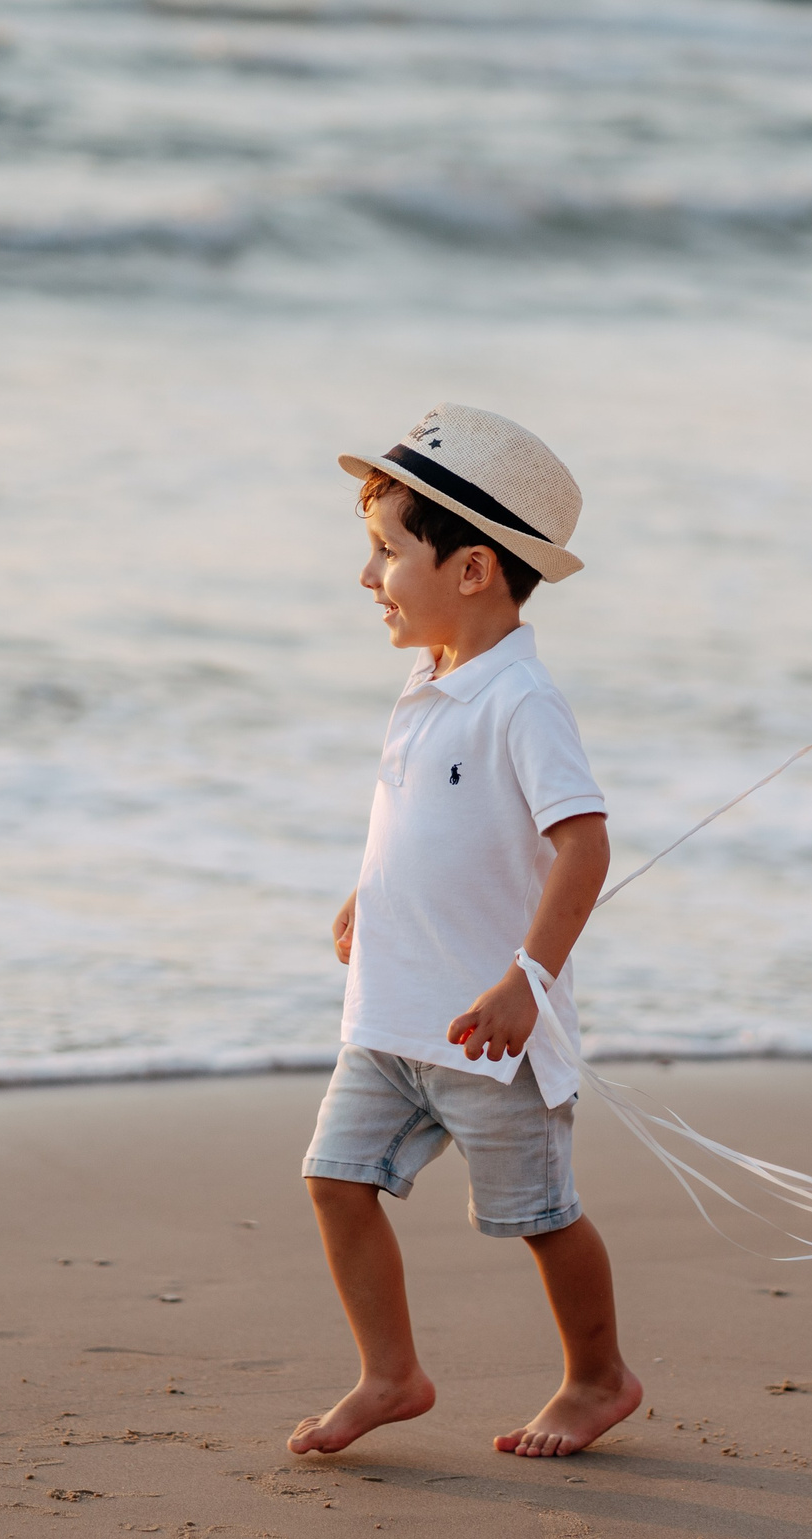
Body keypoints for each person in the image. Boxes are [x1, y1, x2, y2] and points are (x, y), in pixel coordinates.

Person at [290, 403, 641, 1460]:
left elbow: (583, 845)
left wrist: (526, 978)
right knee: (333, 1179)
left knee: (540, 1216)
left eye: (387, 553)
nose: (368, 578)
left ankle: (598, 1377)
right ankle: (390, 1375)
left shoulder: (521, 702)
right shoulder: (428, 678)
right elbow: (416, 817)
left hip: (493, 1035)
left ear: (474, 569)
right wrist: (371, 893)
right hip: (392, 1016)